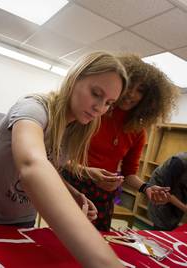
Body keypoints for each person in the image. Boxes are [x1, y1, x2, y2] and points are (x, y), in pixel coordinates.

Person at [0, 51, 128, 267]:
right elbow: (32, 165)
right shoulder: (34, 107)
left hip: (23, 218)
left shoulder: (77, 127)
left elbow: (50, 166)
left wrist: (74, 194)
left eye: (109, 103)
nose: (100, 108)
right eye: (96, 93)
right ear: (75, 79)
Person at [62, 53, 179, 231]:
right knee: (65, 237)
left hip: (104, 194)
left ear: (147, 97)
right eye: (130, 84)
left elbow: (129, 174)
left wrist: (146, 188)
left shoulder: (138, 132)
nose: (132, 93)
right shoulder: (91, 113)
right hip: (73, 184)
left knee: (98, 241)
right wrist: (89, 173)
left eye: (140, 89)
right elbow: (58, 158)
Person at [148, 152, 187, 230]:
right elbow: (167, 192)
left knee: (175, 218)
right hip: (162, 189)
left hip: (179, 188)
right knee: (163, 221)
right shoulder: (178, 162)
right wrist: (185, 208)